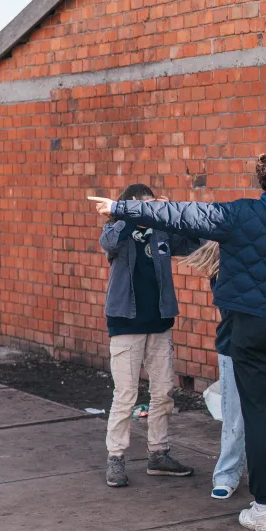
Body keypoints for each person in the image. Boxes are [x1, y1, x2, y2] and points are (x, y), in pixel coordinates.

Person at [92, 149, 266, 531]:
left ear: (263, 183)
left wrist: (119, 206)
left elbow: (178, 213)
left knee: (259, 417)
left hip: (249, 332)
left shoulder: (238, 214)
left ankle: (264, 509)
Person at [99, 183, 199, 487]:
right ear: (129, 207)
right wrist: (129, 215)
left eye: (150, 205)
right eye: (142, 206)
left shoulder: (161, 231)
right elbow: (110, 244)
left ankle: (158, 453)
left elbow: (193, 243)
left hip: (159, 321)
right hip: (125, 322)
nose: (148, 211)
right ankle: (115, 457)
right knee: (126, 394)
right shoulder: (117, 230)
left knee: (163, 391)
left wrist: (171, 214)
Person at [182, 240, 245, 500]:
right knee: (234, 415)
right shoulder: (226, 271)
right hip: (234, 346)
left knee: (264, 414)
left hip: (263, 347)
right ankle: (227, 473)